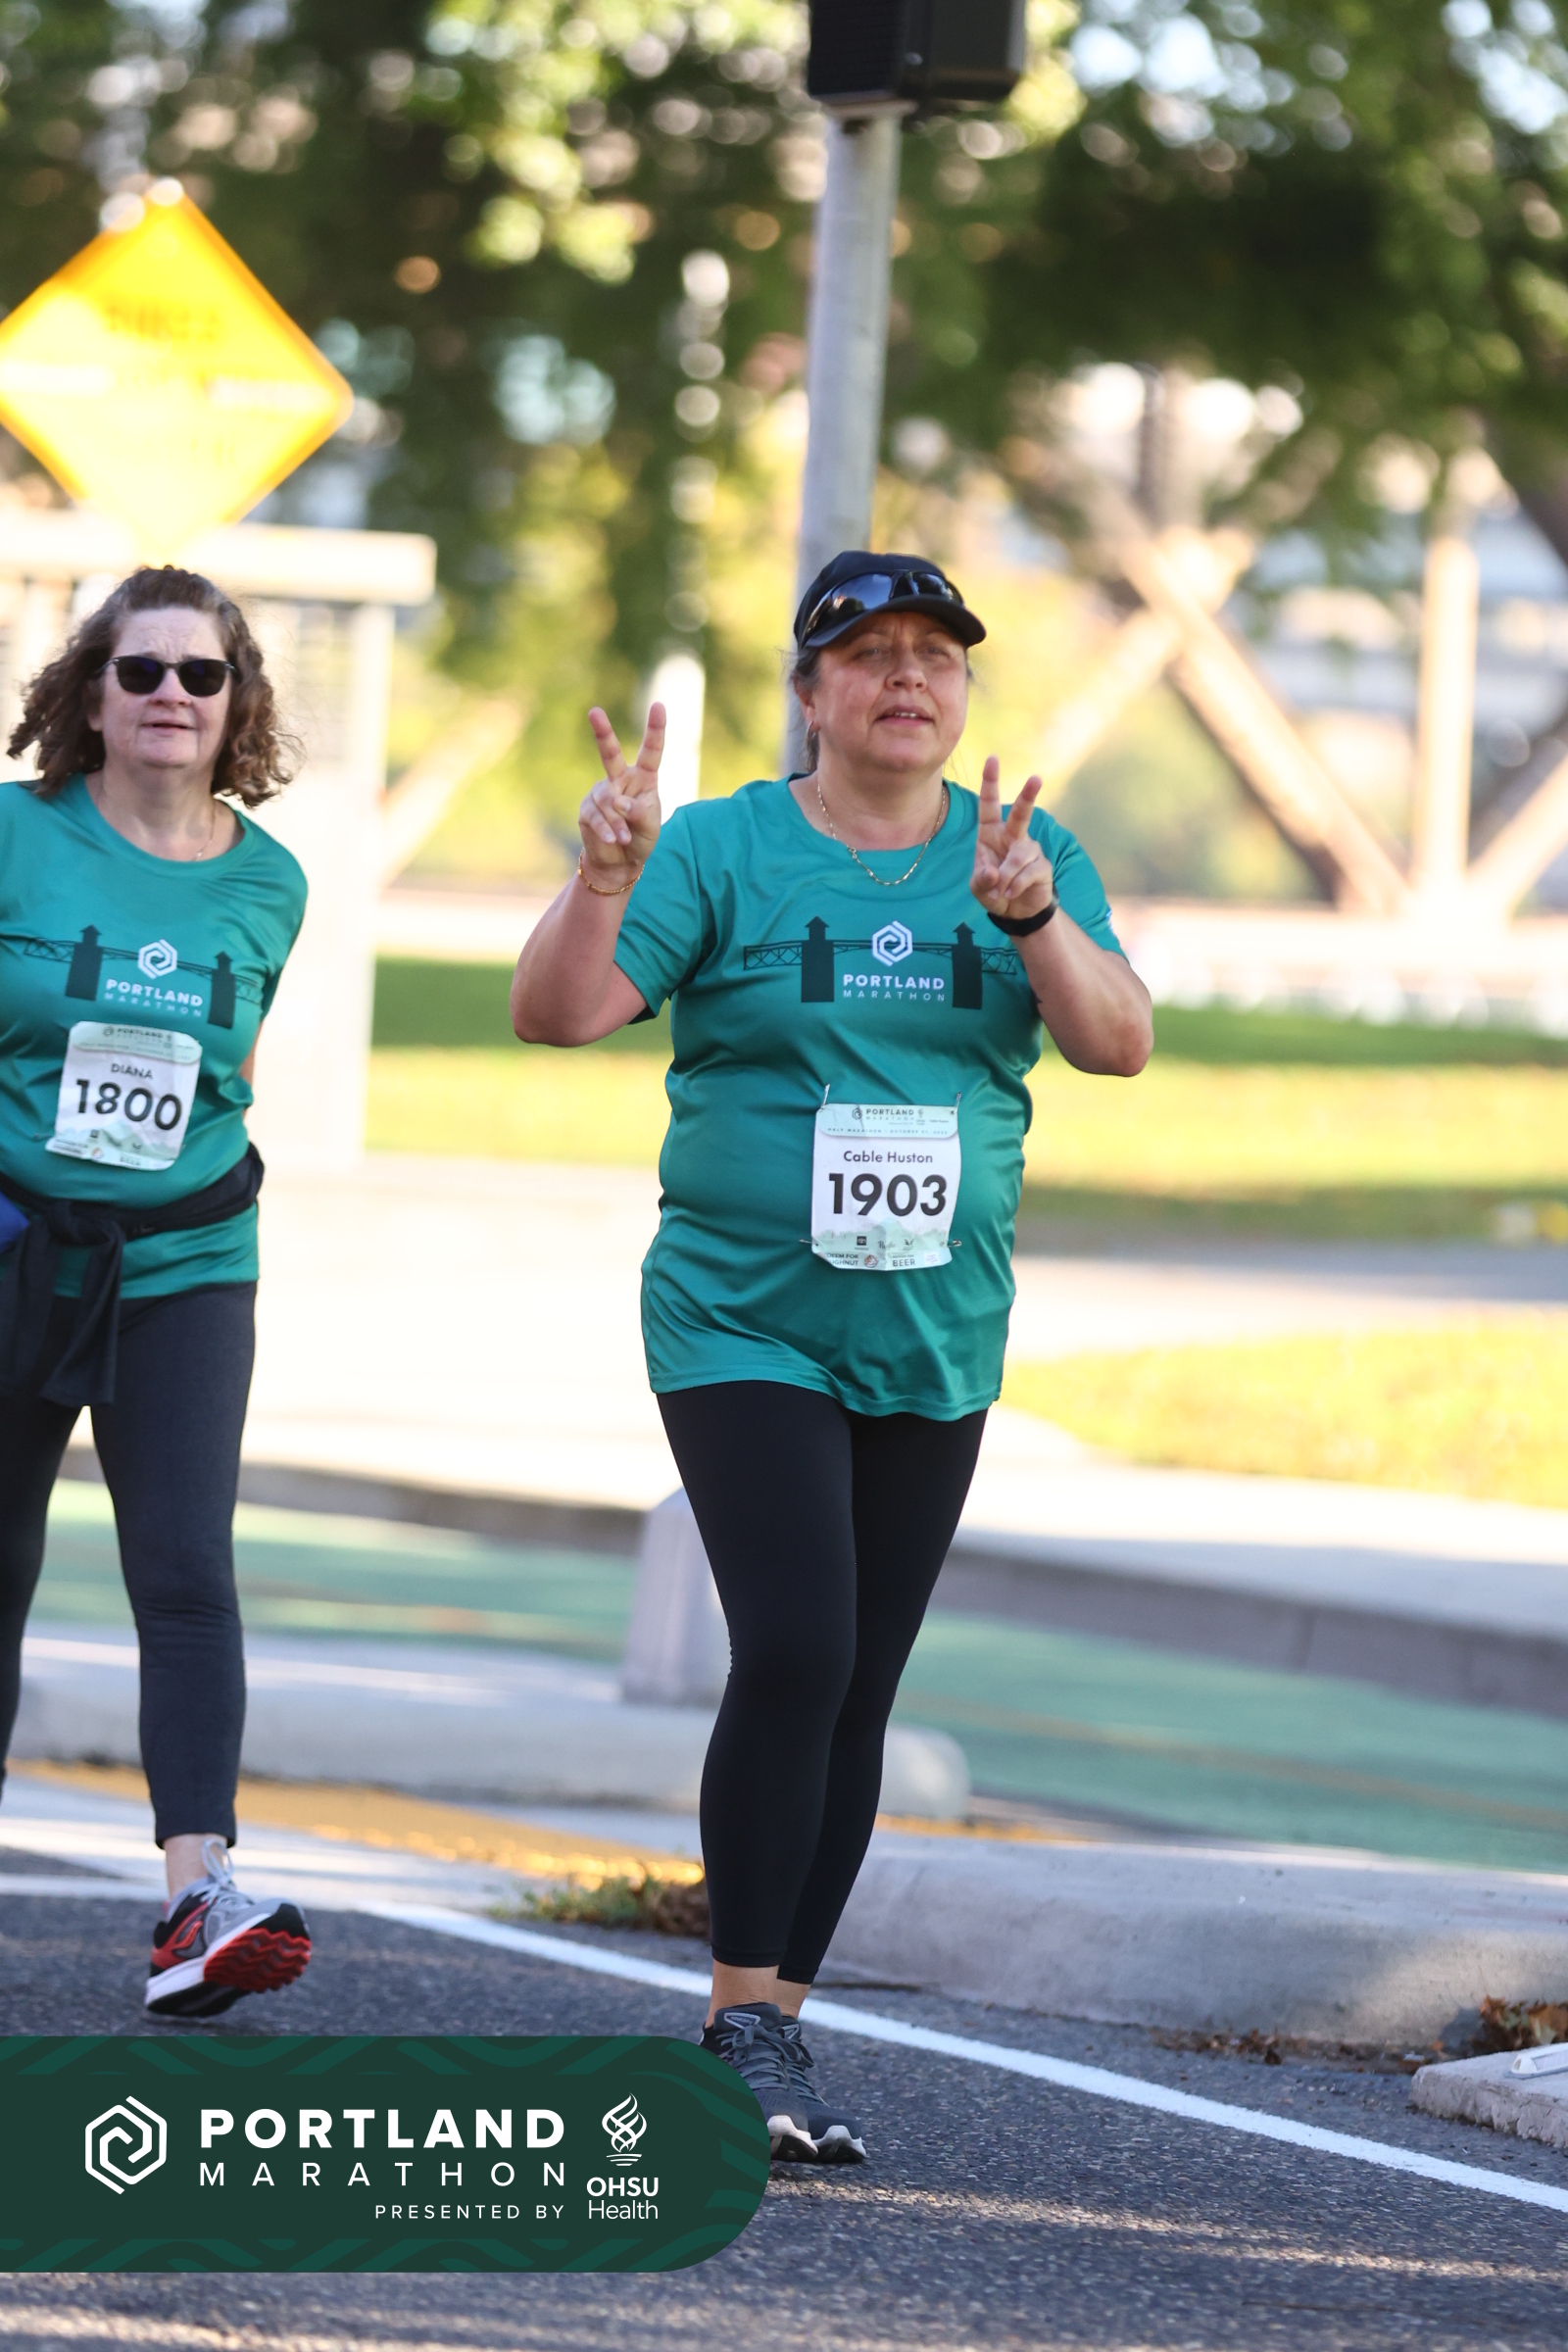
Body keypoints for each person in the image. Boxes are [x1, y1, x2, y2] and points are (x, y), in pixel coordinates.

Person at [511, 550, 1152, 2161]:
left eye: (936, 653)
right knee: (795, 1646)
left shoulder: (1024, 854)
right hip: (741, 1317)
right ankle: (739, 2020)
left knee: (859, 1679)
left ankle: (777, 2022)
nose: (907, 678)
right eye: (869, 654)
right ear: (810, 694)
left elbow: (1118, 1042)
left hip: (933, 1329)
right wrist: (602, 877)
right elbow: (559, 1012)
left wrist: (1035, 917)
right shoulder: (723, 847)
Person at [0, 564, 313, 2019]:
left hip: (186, 1264)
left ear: (238, 704)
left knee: (186, 1571)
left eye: (202, 674)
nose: (172, 695)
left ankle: (198, 1895)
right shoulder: (16, 834)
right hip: (13, 1245)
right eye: (141, 671)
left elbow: (223, 1071)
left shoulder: (271, 883)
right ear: (91, 697)